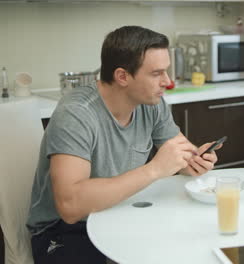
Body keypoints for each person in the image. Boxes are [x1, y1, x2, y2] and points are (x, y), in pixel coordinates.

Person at [26, 26, 220, 264]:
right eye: (157, 73)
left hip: (122, 211)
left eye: (166, 71)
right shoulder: (76, 114)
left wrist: (193, 161)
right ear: (122, 76)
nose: (168, 82)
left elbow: (180, 153)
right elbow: (70, 206)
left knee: (192, 248)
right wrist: (155, 169)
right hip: (66, 230)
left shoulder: (152, 103)